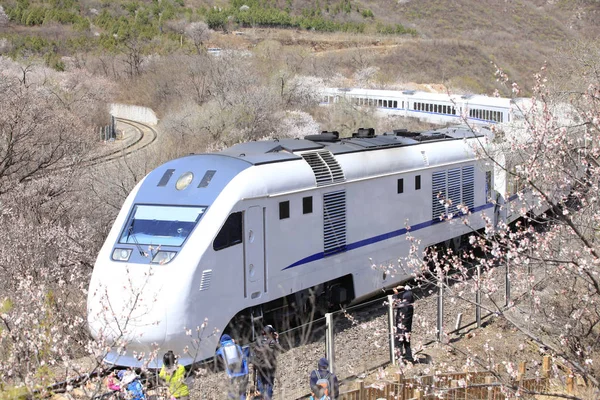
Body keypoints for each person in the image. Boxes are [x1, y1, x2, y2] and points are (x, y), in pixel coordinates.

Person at [216, 334, 250, 400]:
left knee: (231, 390)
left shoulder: (221, 349)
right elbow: (244, 358)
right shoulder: (237, 346)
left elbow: (216, 355)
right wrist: (246, 371)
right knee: (242, 391)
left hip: (232, 374)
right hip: (243, 372)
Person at [251, 324, 279, 400]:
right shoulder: (272, 341)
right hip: (269, 368)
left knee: (261, 385)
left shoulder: (258, 341)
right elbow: (277, 349)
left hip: (260, 368)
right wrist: (276, 339)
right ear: (270, 333)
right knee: (269, 385)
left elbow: (253, 354)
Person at [393, 285, 414, 363]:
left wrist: (395, 294)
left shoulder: (404, 307)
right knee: (407, 342)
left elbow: (395, 304)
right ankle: (409, 358)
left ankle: (400, 360)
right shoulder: (410, 305)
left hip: (401, 327)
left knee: (398, 343)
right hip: (407, 327)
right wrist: (404, 287)